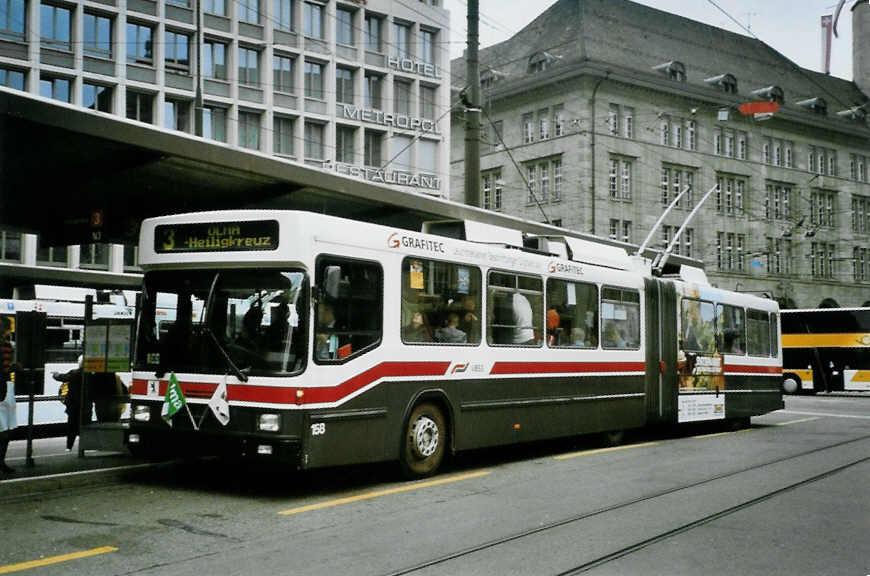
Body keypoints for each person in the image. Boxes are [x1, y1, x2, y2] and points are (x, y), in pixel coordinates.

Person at [52, 355, 84, 451]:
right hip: (85, 404)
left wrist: (55, 374)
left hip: (73, 405)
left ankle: (69, 446)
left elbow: (62, 377)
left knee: (72, 426)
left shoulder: (75, 373)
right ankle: (84, 446)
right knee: (84, 425)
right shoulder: (90, 374)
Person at [0, 316, 16, 474]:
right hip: (3, 389)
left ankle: (1, 462)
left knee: (5, 432)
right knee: (4, 432)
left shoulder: (7, 346)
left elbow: (5, 368)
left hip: (4, 389)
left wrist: (11, 368)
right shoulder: (6, 346)